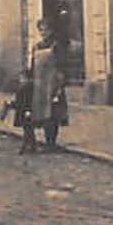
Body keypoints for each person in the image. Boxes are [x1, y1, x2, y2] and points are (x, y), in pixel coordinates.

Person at [26, 21, 69, 151]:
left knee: (53, 113)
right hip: (40, 84)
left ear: (51, 31)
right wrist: (30, 79)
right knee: (41, 113)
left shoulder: (56, 46)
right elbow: (32, 65)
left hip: (53, 83)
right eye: (42, 30)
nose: (44, 33)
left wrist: (60, 84)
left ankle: (51, 142)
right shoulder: (37, 47)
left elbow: (61, 64)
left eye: (46, 30)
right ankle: (46, 140)